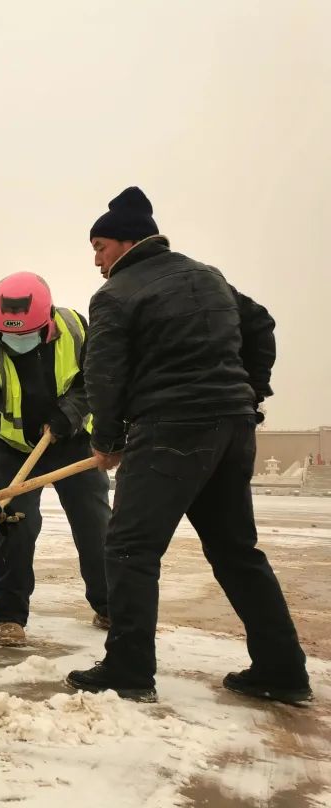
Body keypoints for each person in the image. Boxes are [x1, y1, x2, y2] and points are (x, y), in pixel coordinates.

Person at [66, 187, 311, 705]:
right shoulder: (207, 275)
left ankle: (128, 669)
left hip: (171, 429)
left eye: (100, 246)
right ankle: (282, 669)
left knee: (130, 547)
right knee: (236, 550)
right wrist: (249, 391)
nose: (96, 259)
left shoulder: (116, 294)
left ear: (129, 241)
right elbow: (261, 323)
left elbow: (103, 373)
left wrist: (107, 440)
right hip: (232, 428)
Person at [0, 272, 110, 646]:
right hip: (14, 451)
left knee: (95, 523)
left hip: (72, 441)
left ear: (46, 324)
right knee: (15, 524)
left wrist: (70, 413)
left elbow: (97, 379)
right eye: (9, 335)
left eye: (25, 334)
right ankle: (9, 616)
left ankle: (110, 605)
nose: (17, 342)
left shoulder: (76, 328)